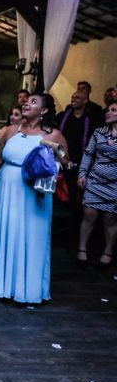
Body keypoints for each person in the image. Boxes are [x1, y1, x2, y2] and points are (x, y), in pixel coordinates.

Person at [0, 94, 68, 304]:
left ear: (44, 111)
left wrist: (53, 163)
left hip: (33, 191)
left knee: (32, 237)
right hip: (7, 189)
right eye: (26, 101)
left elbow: (66, 161)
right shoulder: (11, 131)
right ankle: (4, 286)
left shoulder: (53, 135)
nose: (27, 103)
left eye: (34, 102)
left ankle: (29, 291)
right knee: (8, 233)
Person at [56, 90, 102, 243]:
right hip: (61, 161)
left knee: (76, 199)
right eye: (72, 97)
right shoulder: (63, 116)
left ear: (86, 101)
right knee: (59, 197)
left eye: (77, 98)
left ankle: (73, 233)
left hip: (81, 163)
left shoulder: (92, 119)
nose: (73, 99)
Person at [76, 99, 117, 268]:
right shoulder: (99, 132)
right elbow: (88, 154)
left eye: (114, 110)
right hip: (95, 180)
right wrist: (82, 174)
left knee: (110, 218)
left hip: (114, 184)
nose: (108, 112)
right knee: (89, 215)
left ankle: (108, 251)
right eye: (108, 110)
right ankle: (82, 249)